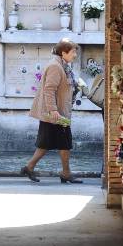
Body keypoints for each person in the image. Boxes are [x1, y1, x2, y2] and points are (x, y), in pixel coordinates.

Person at [21, 38, 83, 184]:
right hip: (55, 114)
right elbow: (49, 90)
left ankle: (29, 167)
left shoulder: (62, 65)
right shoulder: (55, 66)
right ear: (64, 52)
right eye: (73, 52)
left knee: (47, 144)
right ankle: (65, 173)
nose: (75, 55)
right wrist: (53, 110)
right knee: (62, 143)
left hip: (57, 113)